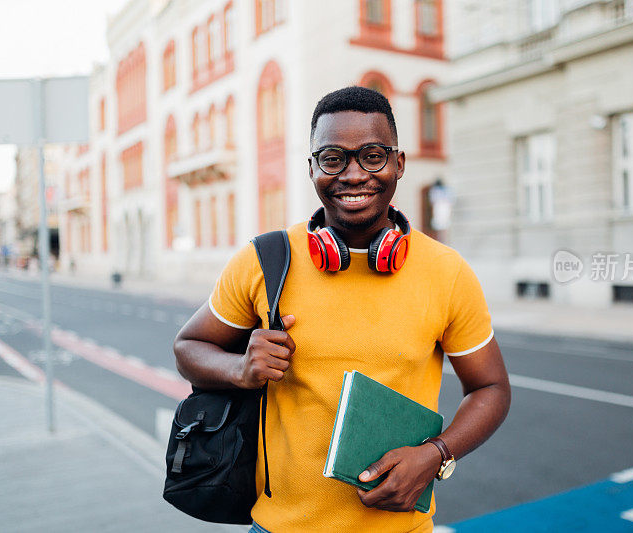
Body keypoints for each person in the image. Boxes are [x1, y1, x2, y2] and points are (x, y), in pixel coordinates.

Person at [173, 86, 511, 532]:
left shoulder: (447, 273)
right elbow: (188, 347)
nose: (353, 175)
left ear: (399, 164)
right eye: (333, 158)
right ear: (312, 168)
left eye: (372, 155)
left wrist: (436, 455)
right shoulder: (265, 260)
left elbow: (491, 389)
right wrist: (241, 368)